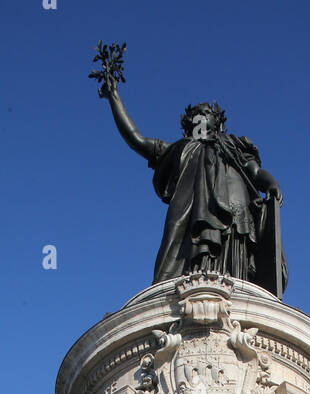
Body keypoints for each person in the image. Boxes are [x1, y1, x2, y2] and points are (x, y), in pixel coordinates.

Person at [100, 78, 287, 296]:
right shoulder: (179, 149)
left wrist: (271, 182)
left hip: (235, 215)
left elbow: (254, 172)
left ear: (218, 122)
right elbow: (136, 139)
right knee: (183, 253)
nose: (200, 116)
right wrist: (113, 96)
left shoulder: (234, 146)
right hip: (189, 214)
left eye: (205, 113)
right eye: (196, 115)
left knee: (236, 272)